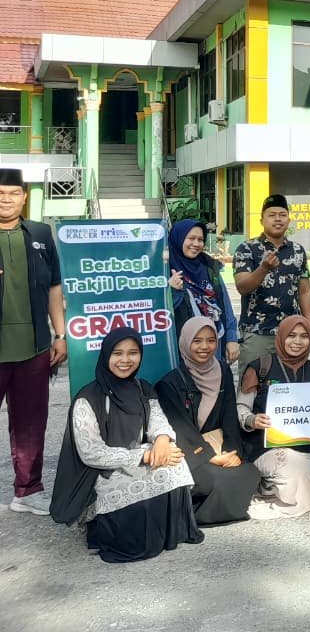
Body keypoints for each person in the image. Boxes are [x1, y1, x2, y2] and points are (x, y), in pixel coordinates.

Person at [50, 328, 203, 563]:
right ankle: (121, 536)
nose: (125, 360)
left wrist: (162, 440)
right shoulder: (88, 398)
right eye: (117, 353)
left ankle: (170, 534)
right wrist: (143, 456)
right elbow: (91, 453)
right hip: (99, 474)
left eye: (133, 353)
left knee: (175, 461)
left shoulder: (142, 389)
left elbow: (159, 422)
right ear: (105, 356)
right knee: (149, 472)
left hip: (138, 457)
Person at [0, 167, 66, 516]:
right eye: (0, 193)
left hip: (34, 347)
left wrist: (60, 333)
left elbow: (55, 286)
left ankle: (27, 490)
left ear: (24, 197)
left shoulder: (40, 234)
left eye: (12, 193)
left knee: (30, 422)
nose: (6, 200)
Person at [156, 319, 261, 525]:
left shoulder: (222, 370)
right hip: (190, 453)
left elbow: (230, 418)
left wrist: (232, 454)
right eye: (197, 341)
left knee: (249, 472)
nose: (205, 347)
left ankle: (211, 508)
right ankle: (199, 516)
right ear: (185, 343)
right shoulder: (170, 384)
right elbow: (181, 431)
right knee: (218, 478)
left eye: (211, 340)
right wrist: (211, 457)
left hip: (220, 447)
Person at [236, 314, 310, 519]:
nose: (297, 342)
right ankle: (268, 486)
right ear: (281, 337)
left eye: (304, 336)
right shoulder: (260, 367)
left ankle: (271, 488)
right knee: (295, 474)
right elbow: (241, 407)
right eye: (291, 335)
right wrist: (252, 420)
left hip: (305, 448)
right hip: (266, 447)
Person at [233, 194, 310, 367]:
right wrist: (263, 269)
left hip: (292, 334)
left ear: (289, 220)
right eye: (272, 215)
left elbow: (304, 291)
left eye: (282, 215)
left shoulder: (297, 250)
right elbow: (242, 287)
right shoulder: (247, 248)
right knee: (252, 387)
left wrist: (309, 326)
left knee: (291, 386)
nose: (278, 219)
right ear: (262, 220)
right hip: (257, 332)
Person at [168, 219, 239, 363]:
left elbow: (225, 305)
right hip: (184, 351)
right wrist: (173, 291)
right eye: (191, 238)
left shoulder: (209, 267)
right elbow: (164, 315)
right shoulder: (165, 270)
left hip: (215, 344)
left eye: (200, 239)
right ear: (178, 238)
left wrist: (232, 338)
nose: (196, 244)